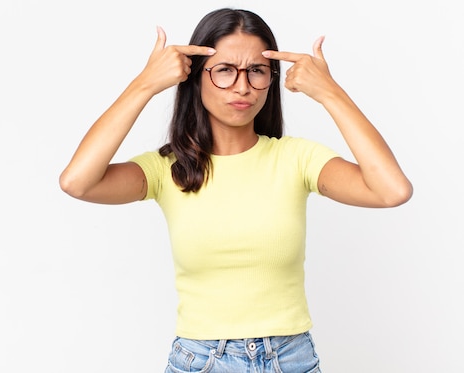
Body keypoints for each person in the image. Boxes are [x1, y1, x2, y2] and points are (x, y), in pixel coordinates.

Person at [59, 7, 412, 373]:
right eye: (225, 70)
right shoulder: (167, 169)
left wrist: (331, 93)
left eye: (257, 71)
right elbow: (77, 181)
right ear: (195, 77)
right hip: (201, 361)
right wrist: (145, 83)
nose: (242, 87)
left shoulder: (297, 158)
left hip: (292, 359)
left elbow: (392, 191)